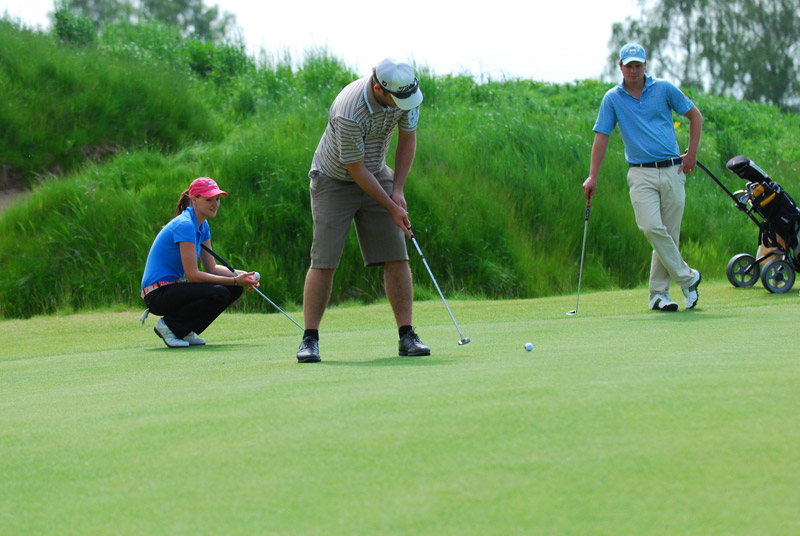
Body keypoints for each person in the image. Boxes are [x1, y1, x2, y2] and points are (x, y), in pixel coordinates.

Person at [296, 58, 429, 363]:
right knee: (324, 260)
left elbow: (408, 141)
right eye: (395, 98)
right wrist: (390, 207)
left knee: (396, 254)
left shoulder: (406, 95)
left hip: (376, 170)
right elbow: (354, 169)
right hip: (334, 179)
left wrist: (397, 190)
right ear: (378, 87)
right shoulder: (349, 109)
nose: (402, 104)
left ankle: (407, 335)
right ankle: (309, 339)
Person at [583, 42, 704, 312]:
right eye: (629, 66)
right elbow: (601, 137)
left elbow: (695, 116)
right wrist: (593, 176)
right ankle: (688, 278)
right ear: (620, 66)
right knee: (651, 228)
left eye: (638, 65)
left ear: (645, 65)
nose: (633, 70)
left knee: (669, 235)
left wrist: (692, 154)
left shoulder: (663, 89)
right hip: (640, 173)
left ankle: (659, 295)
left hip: (673, 169)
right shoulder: (612, 99)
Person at [141, 177, 260, 347]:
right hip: (157, 294)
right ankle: (170, 327)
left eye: (217, 199)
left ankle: (184, 329)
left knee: (233, 290)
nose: (215, 204)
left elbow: (211, 267)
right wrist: (234, 280)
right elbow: (193, 275)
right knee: (221, 292)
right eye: (208, 199)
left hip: (172, 289)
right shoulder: (185, 224)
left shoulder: (202, 225)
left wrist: (243, 275)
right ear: (194, 199)